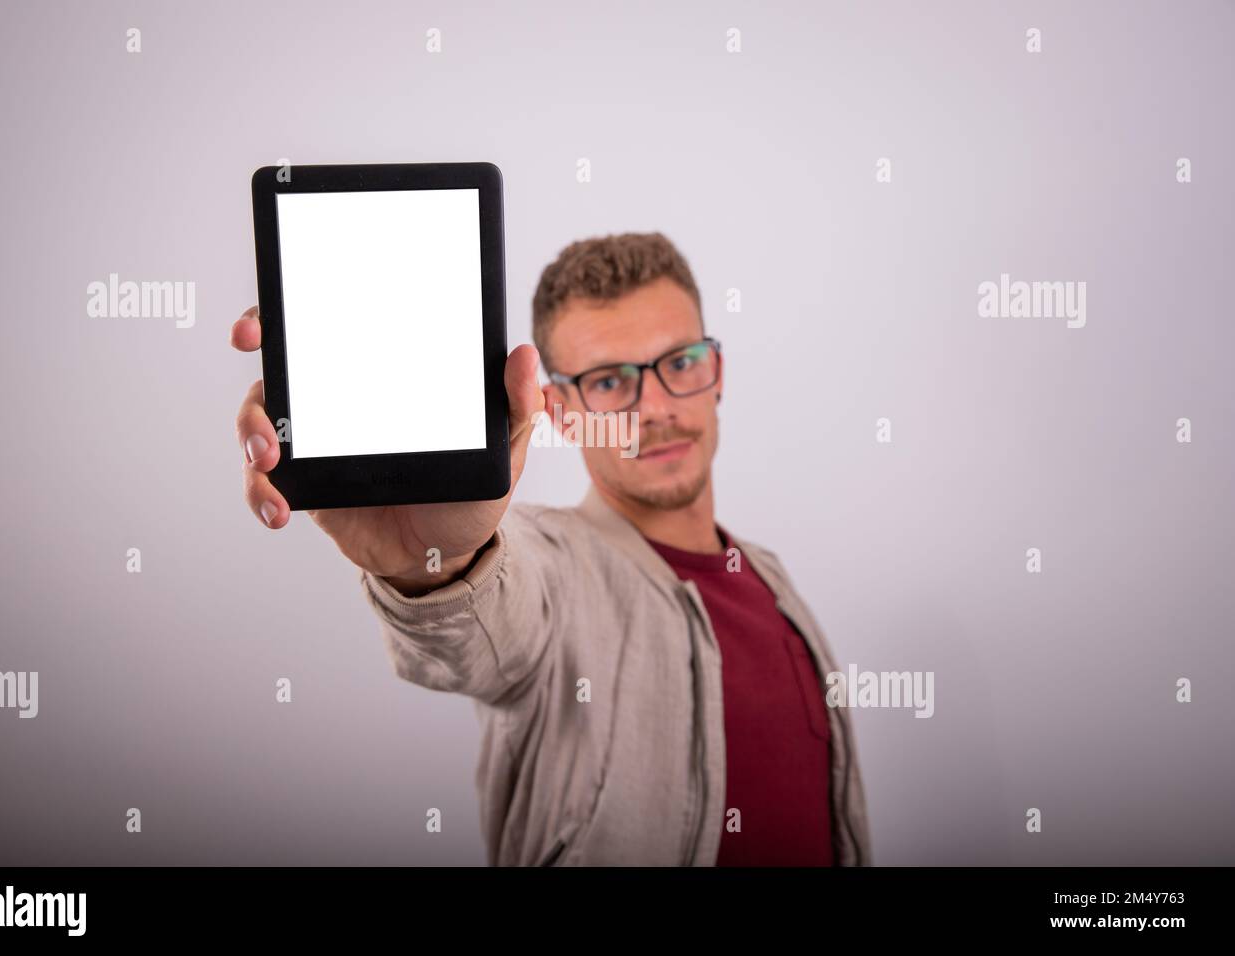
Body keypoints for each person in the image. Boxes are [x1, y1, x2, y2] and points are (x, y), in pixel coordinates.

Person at [231, 232, 872, 866]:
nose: (654, 409)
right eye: (610, 381)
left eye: (680, 363)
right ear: (559, 413)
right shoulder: (550, 566)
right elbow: (489, 624)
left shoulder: (771, 580)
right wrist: (432, 564)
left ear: (716, 372)